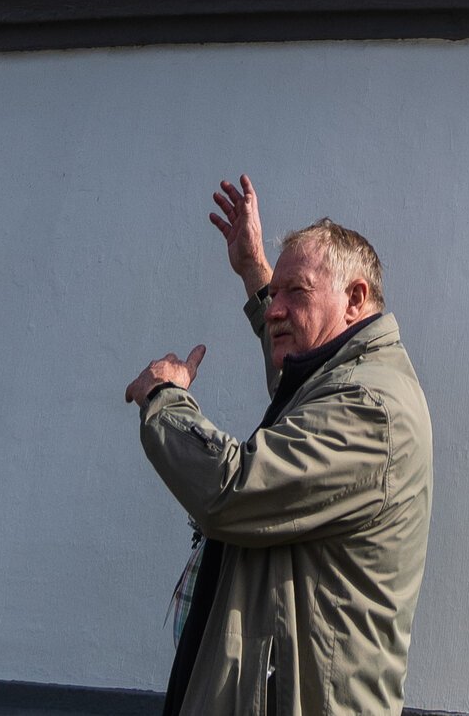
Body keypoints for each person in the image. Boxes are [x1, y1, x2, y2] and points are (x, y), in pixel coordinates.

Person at [127, 184, 433, 716]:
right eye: (278, 294)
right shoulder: (337, 378)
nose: (276, 311)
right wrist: (254, 270)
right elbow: (291, 377)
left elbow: (231, 489)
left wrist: (165, 399)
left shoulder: (369, 407)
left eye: (298, 293)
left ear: (355, 299)